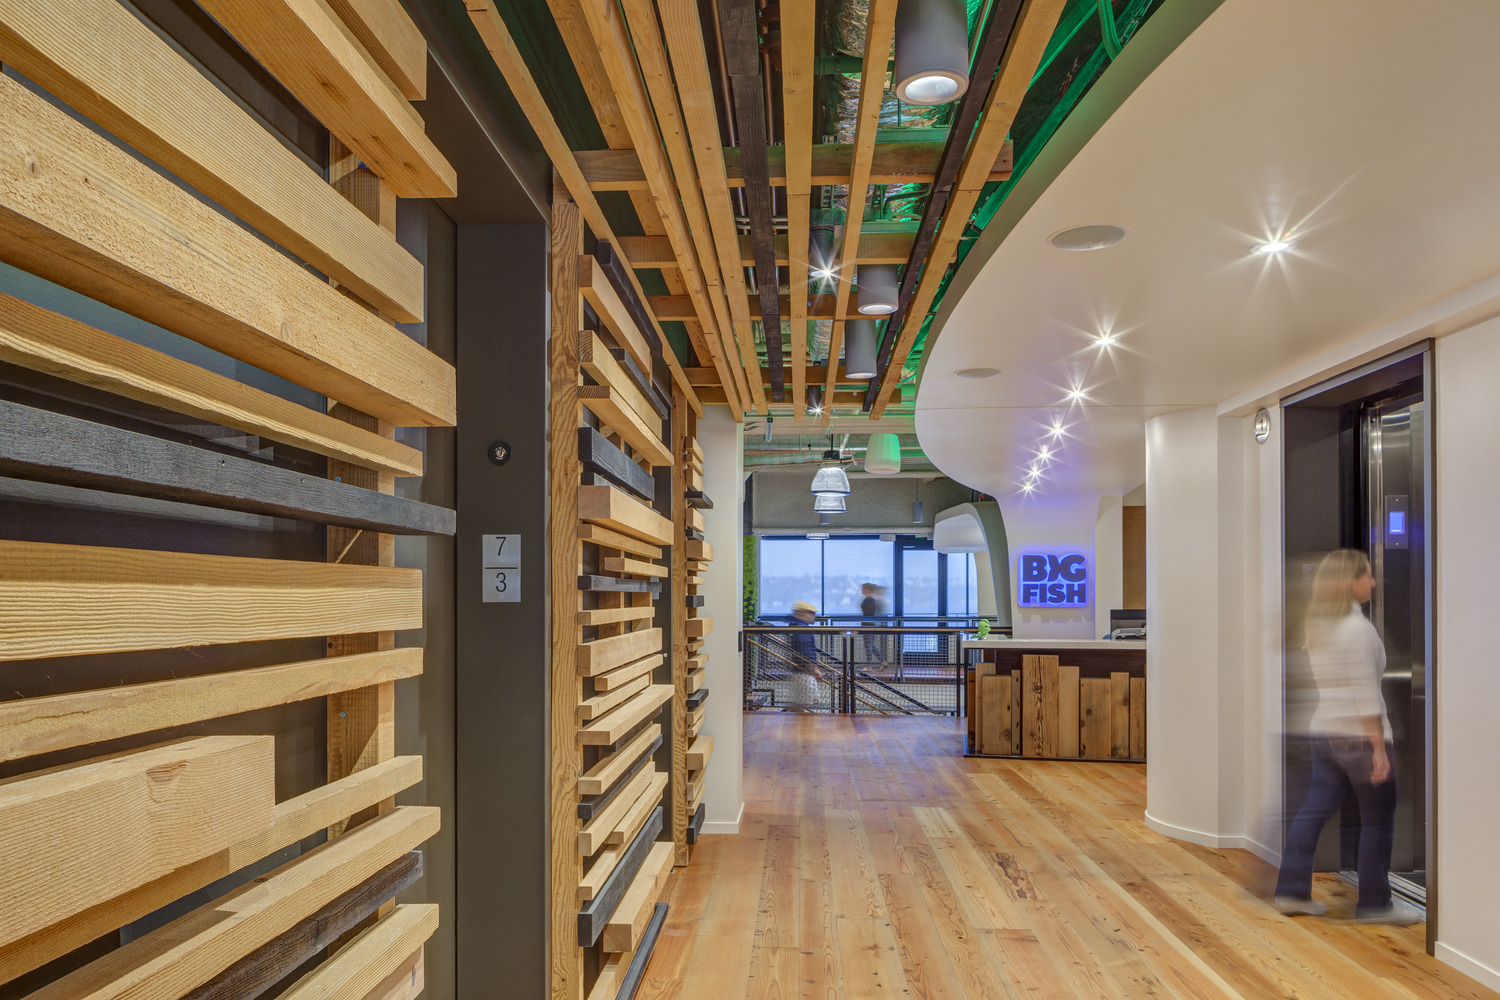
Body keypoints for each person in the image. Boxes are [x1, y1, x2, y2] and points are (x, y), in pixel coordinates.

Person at [1273, 549, 1420, 924]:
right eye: (1367, 576)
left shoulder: (1318, 623)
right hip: (1357, 737)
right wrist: (1378, 749)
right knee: (1378, 819)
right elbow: (1366, 693)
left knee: (1312, 812)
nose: (1373, 582)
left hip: (1325, 732)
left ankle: (1291, 890)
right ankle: (1375, 903)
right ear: (1349, 582)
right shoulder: (1358, 629)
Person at [784, 600, 828, 712]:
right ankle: (801, 726)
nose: (813, 616)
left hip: (802, 671)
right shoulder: (802, 629)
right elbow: (804, 650)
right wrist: (813, 668)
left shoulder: (797, 627)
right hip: (804, 672)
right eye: (810, 612)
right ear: (801, 613)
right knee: (803, 703)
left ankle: (793, 720)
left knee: (804, 702)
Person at [859, 582, 887, 669]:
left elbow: (869, 613)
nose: (862, 590)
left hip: (868, 625)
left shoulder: (870, 600)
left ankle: (869, 665)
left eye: (863, 588)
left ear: (867, 590)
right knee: (871, 645)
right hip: (869, 624)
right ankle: (883, 661)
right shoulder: (870, 600)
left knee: (868, 645)